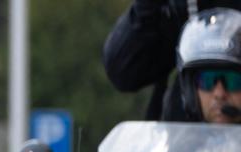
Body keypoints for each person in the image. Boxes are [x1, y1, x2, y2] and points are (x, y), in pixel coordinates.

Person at [103, 0, 241, 120]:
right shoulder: (181, 7)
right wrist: (148, 7)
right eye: (207, 82)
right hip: (186, 140)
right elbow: (123, 71)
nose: (219, 94)